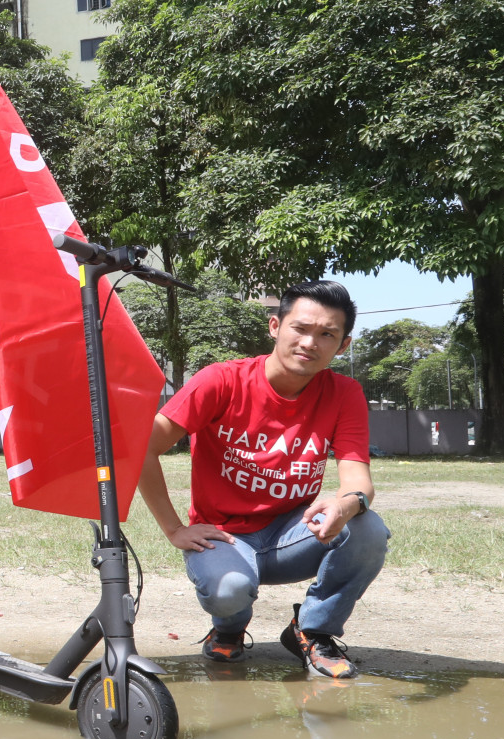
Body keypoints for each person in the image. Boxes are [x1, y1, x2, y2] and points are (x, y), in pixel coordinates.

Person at [136, 281, 386, 680]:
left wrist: (346, 503)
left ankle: (312, 630)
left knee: (368, 528)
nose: (310, 342)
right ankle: (229, 630)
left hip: (294, 535)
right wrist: (173, 528)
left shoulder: (344, 393)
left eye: (327, 335)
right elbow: (143, 447)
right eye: (300, 328)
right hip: (224, 537)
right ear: (274, 326)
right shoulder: (221, 380)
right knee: (229, 589)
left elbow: (359, 478)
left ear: (342, 346)